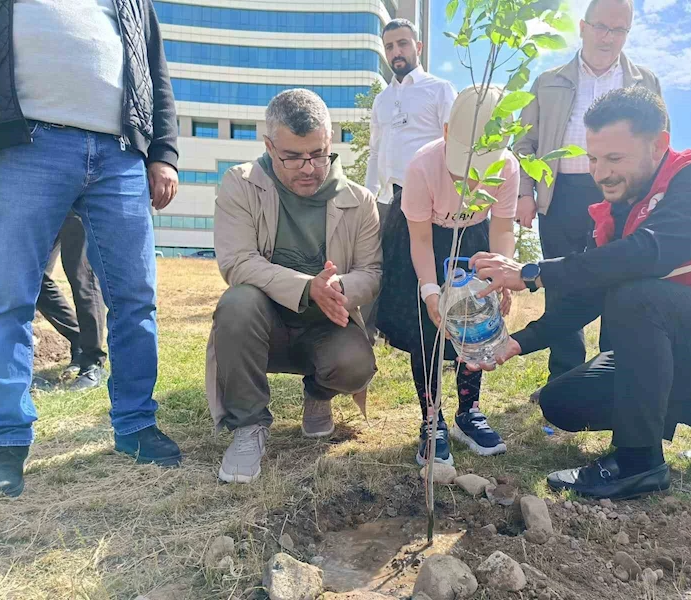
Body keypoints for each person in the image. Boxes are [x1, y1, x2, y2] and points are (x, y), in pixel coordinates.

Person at [467, 88, 691, 500]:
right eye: (594, 159)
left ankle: (639, 462)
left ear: (658, 145)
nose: (601, 174)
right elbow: (586, 296)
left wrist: (533, 273)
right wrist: (516, 342)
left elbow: (649, 253)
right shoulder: (617, 214)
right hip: (682, 348)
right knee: (563, 401)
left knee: (636, 295)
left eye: (614, 159)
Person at [0, 0, 181, 498]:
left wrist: (163, 154)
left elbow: (155, 73)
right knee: (8, 296)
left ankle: (136, 424)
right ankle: (4, 439)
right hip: (23, 147)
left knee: (135, 298)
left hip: (121, 154)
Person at [206, 89, 381, 485]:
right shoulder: (240, 184)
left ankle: (318, 394)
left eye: (318, 154)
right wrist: (306, 287)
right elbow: (236, 262)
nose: (309, 168)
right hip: (262, 324)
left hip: (326, 325)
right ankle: (249, 425)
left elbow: (371, 272)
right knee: (237, 304)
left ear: (330, 140)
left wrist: (337, 287)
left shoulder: (361, 201)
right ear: (269, 146)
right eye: (292, 157)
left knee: (355, 365)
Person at [515, 0, 661, 384]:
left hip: (623, 197)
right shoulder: (547, 82)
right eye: (601, 27)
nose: (608, 37)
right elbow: (524, 143)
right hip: (560, 194)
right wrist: (525, 193)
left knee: (620, 283)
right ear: (582, 27)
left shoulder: (645, 84)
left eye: (619, 30)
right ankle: (565, 378)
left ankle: (610, 376)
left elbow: (659, 146)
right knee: (560, 285)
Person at [376, 86, 518, 466]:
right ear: (445, 131)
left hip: (473, 238)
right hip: (424, 239)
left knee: (475, 321)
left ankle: (467, 413)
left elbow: (502, 226)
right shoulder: (422, 166)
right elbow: (420, 240)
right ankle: (431, 418)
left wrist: (502, 270)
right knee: (428, 329)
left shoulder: (507, 168)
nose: (470, 180)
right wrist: (429, 290)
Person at [361, 18, 457, 341]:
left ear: (418, 47)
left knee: (428, 274)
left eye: (402, 44)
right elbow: (375, 152)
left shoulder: (440, 89)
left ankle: (442, 342)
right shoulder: (382, 100)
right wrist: (369, 197)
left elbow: (454, 145)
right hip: (388, 201)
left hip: (428, 202)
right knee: (387, 272)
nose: (396, 52)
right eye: (389, 46)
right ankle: (382, 340)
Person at [36, 213, 107, 391]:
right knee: (33, 278)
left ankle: (92, 362)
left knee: (81, 276)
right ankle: (79, 340)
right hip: (42, 204)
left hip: (75, 204)